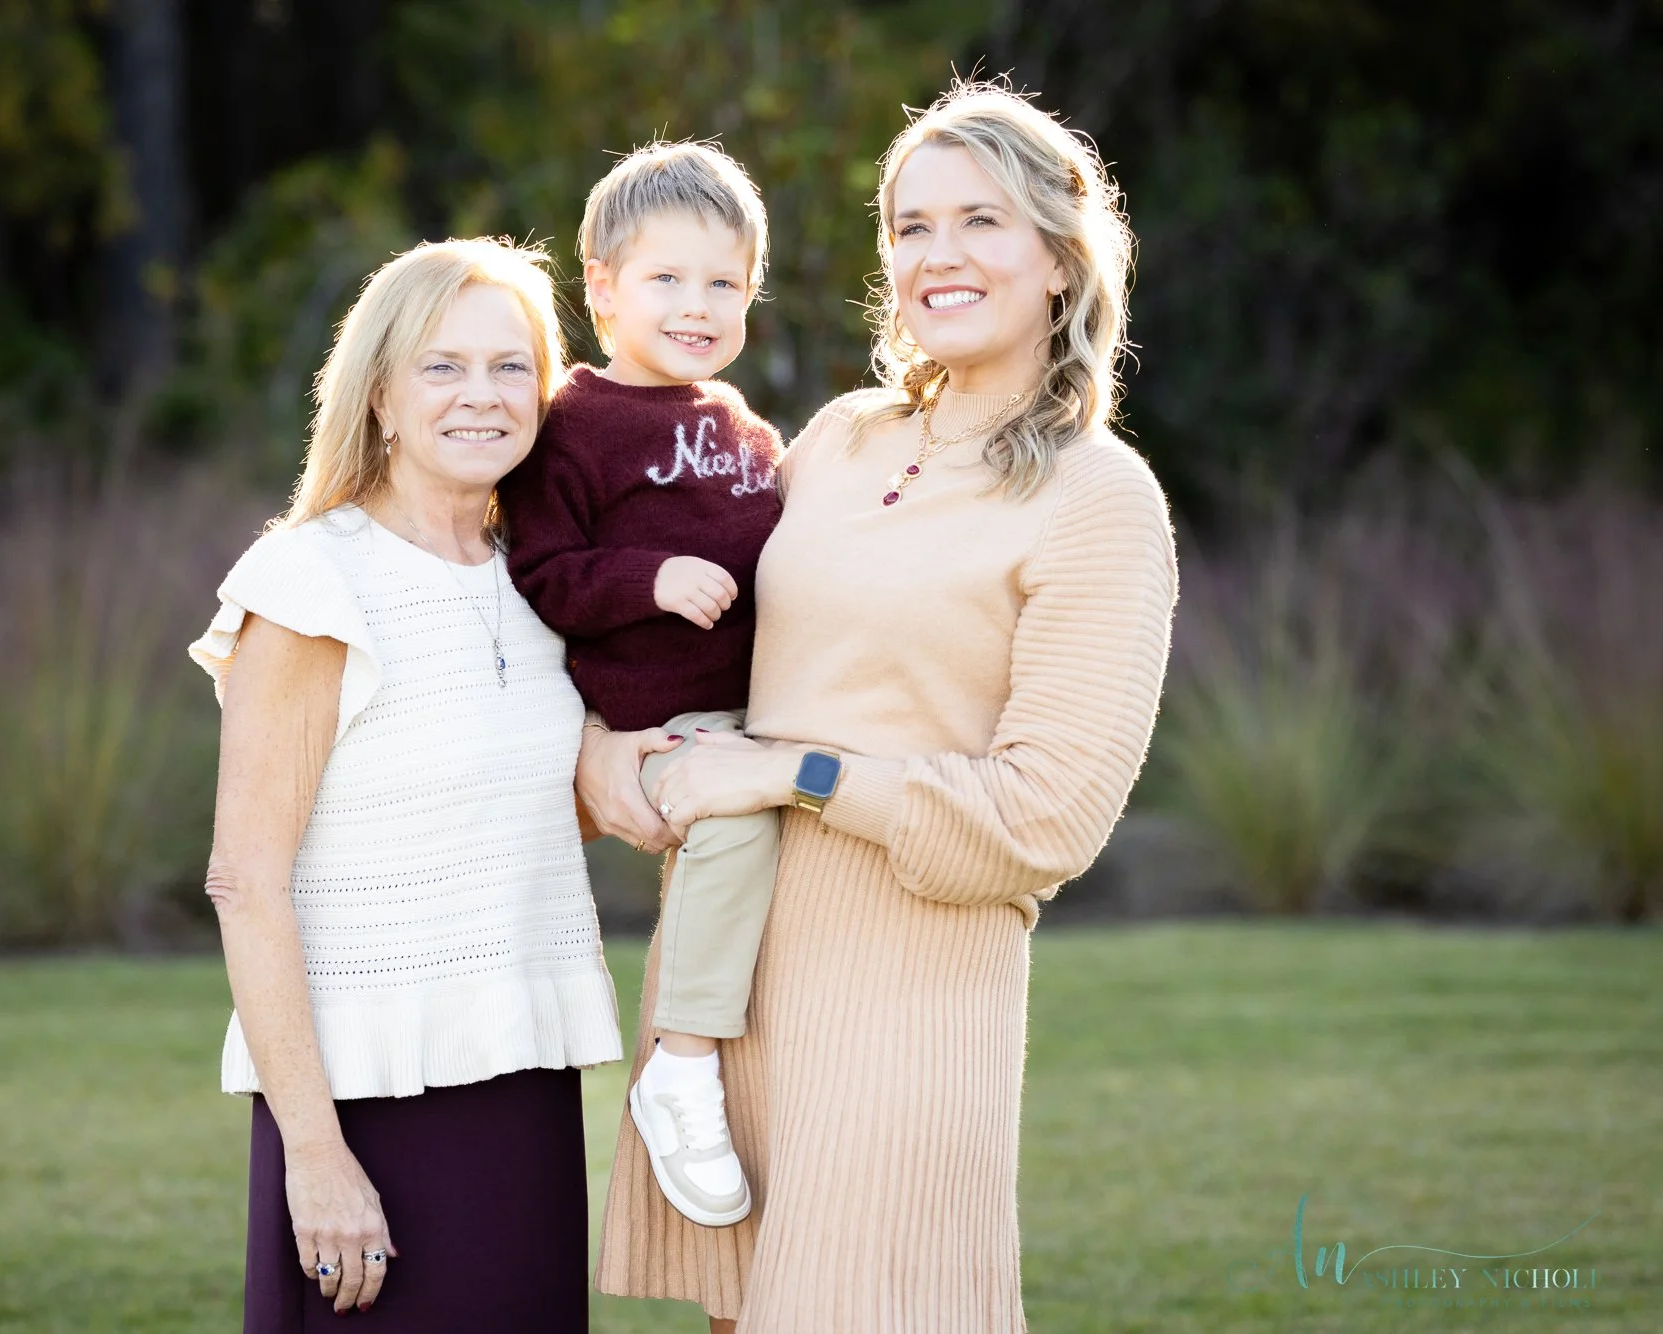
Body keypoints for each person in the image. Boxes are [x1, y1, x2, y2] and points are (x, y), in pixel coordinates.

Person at [585, 81, 1180, 1332]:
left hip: (910, 995)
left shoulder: (1097, 496)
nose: (936, 256)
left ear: (1060, 261)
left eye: (980, 221)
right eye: (909, 227)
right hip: (729, 984)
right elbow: (688, 639)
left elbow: (1045, 819)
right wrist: (598, 749)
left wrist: (788, 771)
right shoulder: (841, 439)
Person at [189, 237, 623, 1333]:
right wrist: (316, 1156)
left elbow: (542, 811)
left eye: (510, 365)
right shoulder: (311, 581)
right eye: (442, 366)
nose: (482, 394)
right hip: (363, 1107)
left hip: (522, 1085)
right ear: (379, 393)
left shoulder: (540, 580)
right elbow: (246, 880)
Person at [499, 140, 784, 1230]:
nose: (697, 305)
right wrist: (649, 577)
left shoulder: (737, 425)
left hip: (760, 710)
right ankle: (679, 1062)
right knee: (735, 823)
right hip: (657, 722)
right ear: (603, 288)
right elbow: (541, 573)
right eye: (666, 279)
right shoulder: (571, 426)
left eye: (724, 283)